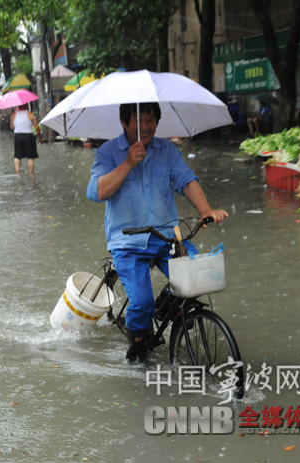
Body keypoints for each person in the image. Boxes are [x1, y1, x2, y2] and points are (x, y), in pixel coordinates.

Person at [87, 102, 228, 363]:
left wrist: (206, 209)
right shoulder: (108, 152)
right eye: (138, 120)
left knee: (199, 278)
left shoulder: (167, 150)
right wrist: (128, 163)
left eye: (150, 120)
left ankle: (164, 309)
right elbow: (96, 191)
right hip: (127, 241)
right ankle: (138, 346)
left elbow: (186, 180)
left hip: (167, 237)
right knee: (141, 303)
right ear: (124, 122)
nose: (145, 127)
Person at [10, 103, 42, 174]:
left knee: (17, 155)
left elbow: (12, 127)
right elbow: (37, 127)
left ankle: (17, 172)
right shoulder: (31, 115)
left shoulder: (13, 115)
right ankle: (31, 174)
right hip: (29, 136)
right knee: (30, 156)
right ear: (26, 105)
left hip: (18, 136)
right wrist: (40, 137)